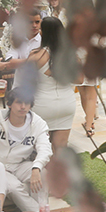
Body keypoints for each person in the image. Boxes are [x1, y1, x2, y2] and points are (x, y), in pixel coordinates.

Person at [0, 88, 52, 212]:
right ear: (9, 104)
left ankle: (42, 208)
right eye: (19, 102)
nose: (23, 107)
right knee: (14, 188)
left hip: (20, 164)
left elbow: (45, 148)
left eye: (27, 103)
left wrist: (36, 167)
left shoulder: (38, 123)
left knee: (43, 174)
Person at [25, 18, 77, 152]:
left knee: (41, 150)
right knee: (61, 150)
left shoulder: (35, 55)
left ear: (43, 32)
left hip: (42, 105)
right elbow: (80, 79)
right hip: (67, 104)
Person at [0, 9, 42, 79]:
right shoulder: (19, 41)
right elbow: (10, 62)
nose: (34, 25)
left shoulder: (44, 40)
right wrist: (32, 60)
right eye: (30, 22)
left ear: (41, 22)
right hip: (20, 83)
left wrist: (20, 62)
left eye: (37, 22)